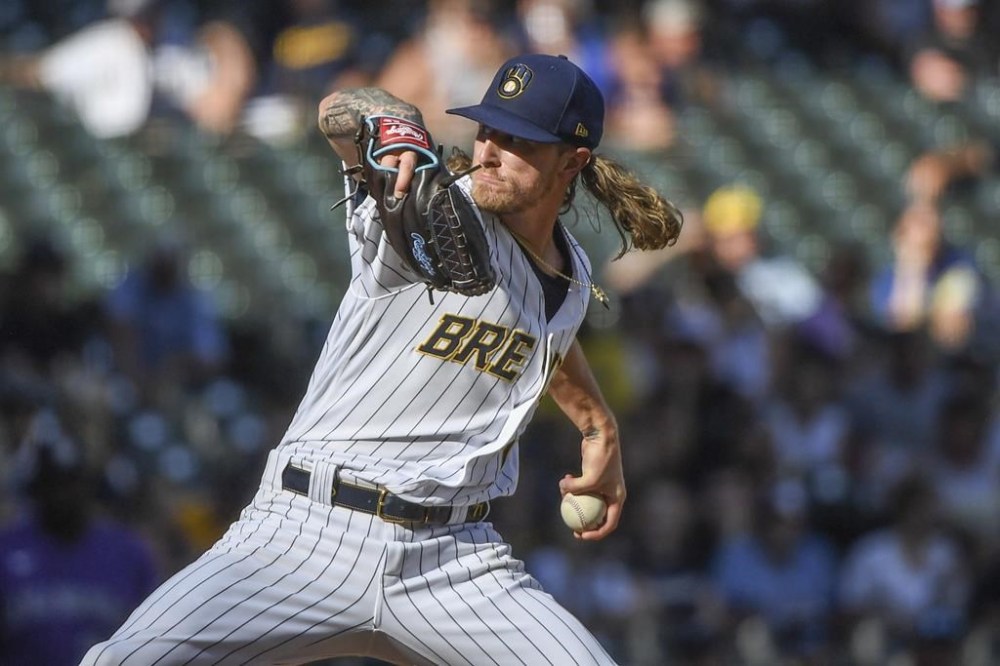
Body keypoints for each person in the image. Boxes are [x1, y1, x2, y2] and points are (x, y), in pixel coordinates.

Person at [82, 52, 683, 664]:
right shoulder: (423, 201)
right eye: (487, 129)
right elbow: (337, 114)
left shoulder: (574, 275)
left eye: (519, 139)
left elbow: (541, 335)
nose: (490, 151)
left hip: (456, 560)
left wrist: (597, 424)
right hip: (305, 533)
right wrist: (392, 121)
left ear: (572, 161)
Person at [0, 416, 159, 665]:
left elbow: (153, 642)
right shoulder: (6, 549)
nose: (63, 494)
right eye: (53, 483)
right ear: (37, 489)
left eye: (71, 482)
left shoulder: (128, 552)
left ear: (87, 485)